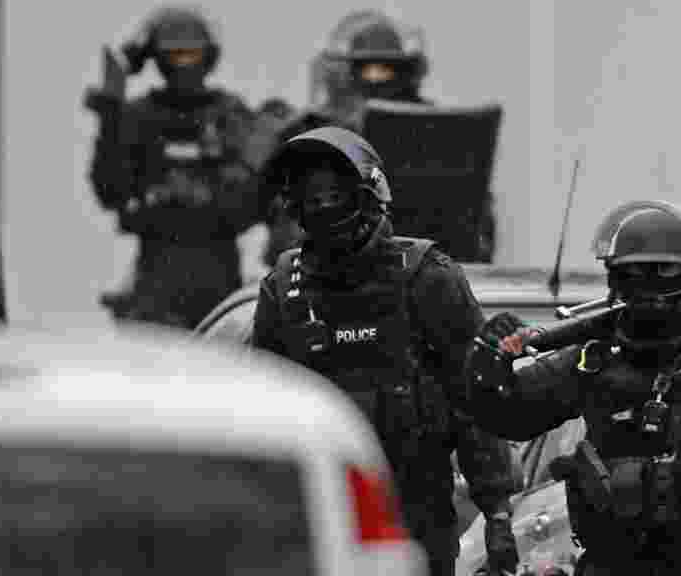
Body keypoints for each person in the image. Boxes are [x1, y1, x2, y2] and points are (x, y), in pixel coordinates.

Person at [460, 201, 681, 576]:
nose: (649, 286)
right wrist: (487, 361)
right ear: (614, 278)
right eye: (634, 273)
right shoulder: (595, 359)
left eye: (665, 271)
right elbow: (508, 416)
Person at [251, 126, 521, 576]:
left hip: (415, 523)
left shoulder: (426, 277)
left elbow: (475, 400)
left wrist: (497, 512)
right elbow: (261, 416)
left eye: (334, 195)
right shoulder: (284, 289)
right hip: (318, 529)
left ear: (367, 193)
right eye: (311, 199)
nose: (323, 207)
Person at [261, 10, 498, 267]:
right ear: (347, 71)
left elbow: (475, 224)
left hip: (418, 273)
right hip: (329, 278)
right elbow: (280, 226)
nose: (375, 78)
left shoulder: (437, 133)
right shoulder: (311, 133)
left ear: (405, 72)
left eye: (384, 69)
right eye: (367, 69)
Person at [85, 6, 268, 329]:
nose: (184, 64)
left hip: (218, 268)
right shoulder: (137, 116)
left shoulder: (230, 115)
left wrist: (208, 197)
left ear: (208, 57)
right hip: (156, 270)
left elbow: (256, 200)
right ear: (157, 58)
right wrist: (111, 106)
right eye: (175, 55)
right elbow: (109, 190)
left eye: (191, 54)